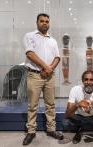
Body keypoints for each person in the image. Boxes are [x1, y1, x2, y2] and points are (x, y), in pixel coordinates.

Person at [23, 13, 63, 145]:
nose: (45, 23)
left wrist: (50, 69)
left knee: (50, 104)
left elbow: (57, 57)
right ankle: (31, 132)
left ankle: (51, 129)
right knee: (33, 105)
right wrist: (46, 67)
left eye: (47, 21)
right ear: (37, 23)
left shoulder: (53, 40)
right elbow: (30, 53)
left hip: (49, 76)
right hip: (34, 75)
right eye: (42, 21)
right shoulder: (30, 36)